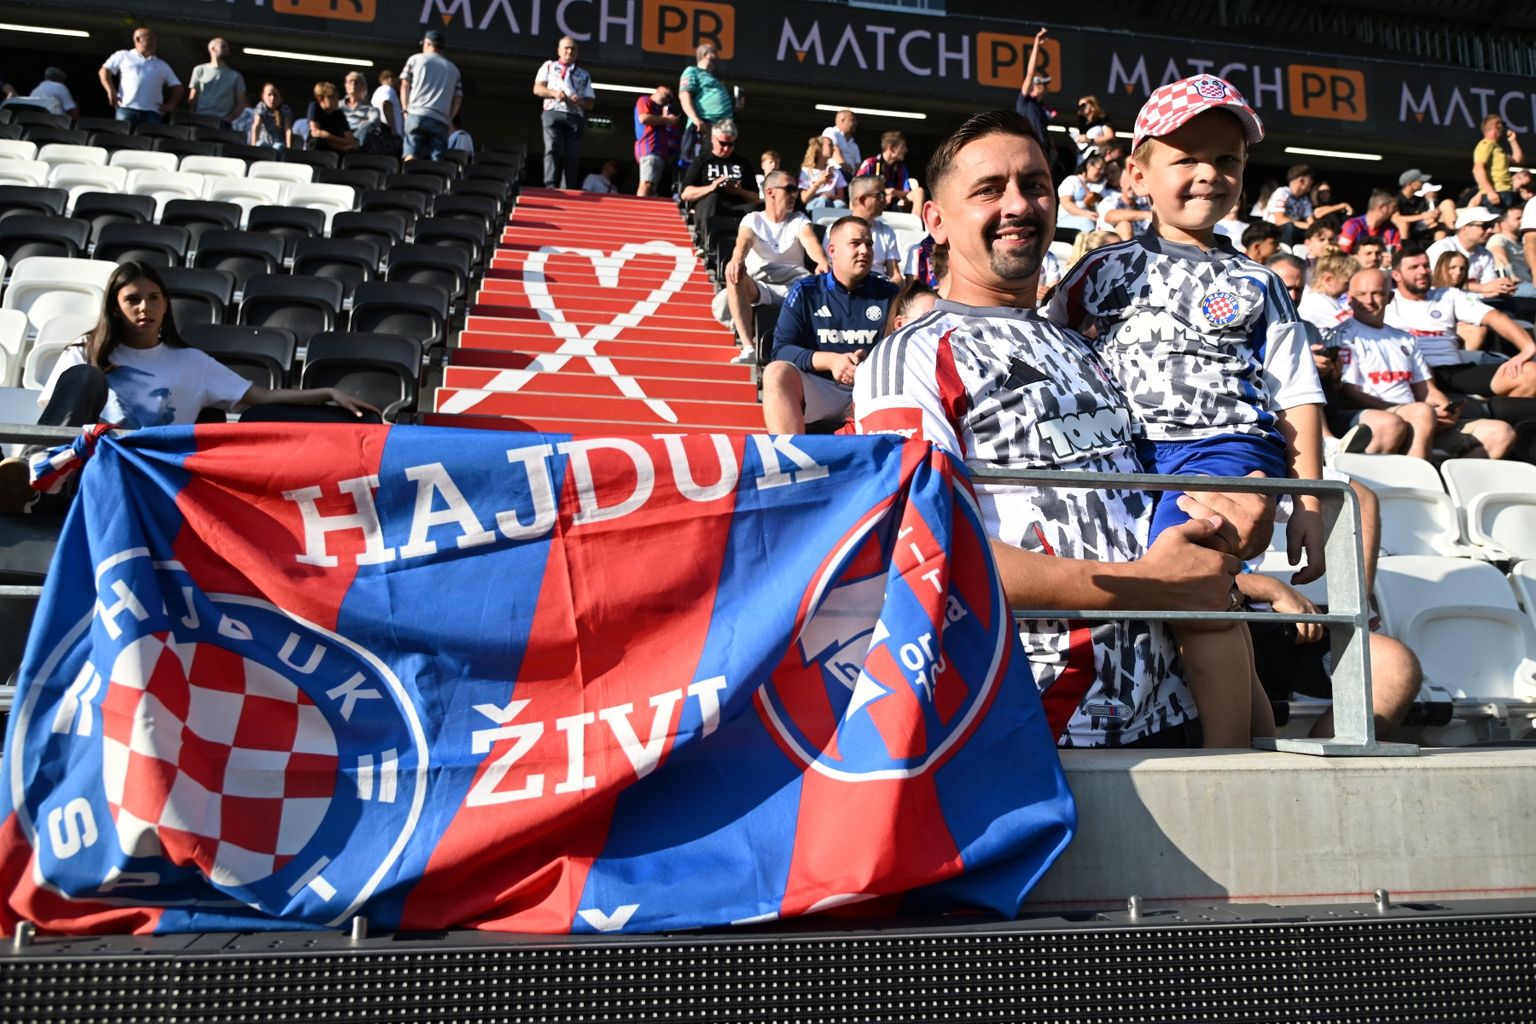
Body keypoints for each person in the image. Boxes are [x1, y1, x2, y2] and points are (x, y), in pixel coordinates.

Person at [855, 109, 1274, 749]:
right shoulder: (910, 358)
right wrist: (1150, 587)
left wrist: (1233, 525)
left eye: (1035, 185)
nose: (1019, 205)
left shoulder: (1087, 343)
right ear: (934, 220)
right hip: (1041, 728)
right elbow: (923, 556)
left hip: (1170, 709)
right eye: (989, 189)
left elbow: (1164, 495)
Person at [1044, 75, 1326, 749]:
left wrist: (1310, 503)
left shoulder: (1258, 281)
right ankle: (1259, 747)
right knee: (1204, 602)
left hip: (1225, 450)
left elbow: (1296, 391)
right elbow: (1048, 350)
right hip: (1126, 461)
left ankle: (1226, 765)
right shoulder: (1098, 270)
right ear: (1138, 174)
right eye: (1186, 158)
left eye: (1226, 159)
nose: (1208, 174)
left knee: (1193, 596)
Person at [0, 262, 376, 514]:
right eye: (132, 299)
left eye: (153, 298)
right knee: (86, 377)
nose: (144, 307)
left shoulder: (190, 361)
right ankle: (29, 477)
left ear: (166, 305)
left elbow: (260, 397)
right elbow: (57, 413)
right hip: (89, 470)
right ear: (115, 308)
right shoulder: (85, 351)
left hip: (150, 476)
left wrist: (326, 393)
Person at [1334, 269, 1514, 460]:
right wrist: (1409, 412)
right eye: (1361, 294)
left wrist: (1445, 408)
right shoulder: (1341, 337)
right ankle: (1416, 477)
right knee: (1420, 412)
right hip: (1375, 421)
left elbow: (1426, 390)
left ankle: (1443, 476)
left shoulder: (1405, 338)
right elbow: (1348, 394)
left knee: (1501, 433)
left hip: (1420, 421)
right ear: (1350, 299)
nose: (1369, 301)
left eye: (1377, 293)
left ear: (1390, 298)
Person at [762, 216, 898, 432]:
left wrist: (868, 365)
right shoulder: (806, 291)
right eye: (855, 243)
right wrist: (832, 361)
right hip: (820, 387)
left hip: (871, 389)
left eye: (869, 244)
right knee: (775, 373)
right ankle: (788, 452)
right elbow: (781, 350)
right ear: (832, 251)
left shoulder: (890, 294)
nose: (865, 250)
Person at [1385, 245, 1536, 417]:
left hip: (1454, 370)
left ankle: (1495, 421)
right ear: (1396, 275)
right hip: (1414, 374)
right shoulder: (1385, 300)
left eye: (1426, 266)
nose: (1423, 271)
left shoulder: (1449, 295)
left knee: (1531, 374)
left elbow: (1494, 317)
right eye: (1414, 267)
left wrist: (1528, 348)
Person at [718, 169, 827, 364]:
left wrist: (822, 261)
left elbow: (811, 242)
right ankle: (748, 347)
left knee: (823, 280)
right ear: (770, 192)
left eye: (796, 189)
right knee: (734, 273)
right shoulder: (753, 219)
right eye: (790, 189)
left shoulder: (799, 220)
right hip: (760, 285)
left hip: (794, 286)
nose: (795, 194)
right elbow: (742, 243)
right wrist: (736, 260)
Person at [533, 36, 594, 190]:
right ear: (559, 51)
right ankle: (550, 185)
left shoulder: (584, 74)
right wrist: (554, 93)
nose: (569, 51)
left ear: (577, 53)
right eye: (566, 48)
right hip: (552, 111)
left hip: (575, 116)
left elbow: (590, 103)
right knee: (551, 148)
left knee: (572, 154)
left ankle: (567, 188)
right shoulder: (549, 66)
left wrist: (579, 101)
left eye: (573, 49)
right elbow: (537, 89)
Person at [679, 119, 758, 226]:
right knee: (713, 199)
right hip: (709, 206)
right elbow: (685, 194)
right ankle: (708, 234)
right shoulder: (701, 161)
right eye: (722, 143)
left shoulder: (743, 163)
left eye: (731, 144)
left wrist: (740, 191)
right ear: (713, 139)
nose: (726, 148)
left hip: (736, 208)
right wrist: (711, 187)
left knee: (754, 209)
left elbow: (756, 198)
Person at [399, 29, 462, 162]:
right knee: (437, 161)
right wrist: (449, 117)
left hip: (416, 114)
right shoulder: (454, 70)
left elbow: (404, 84)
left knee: (411, 154)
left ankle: (408, 174)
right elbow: (458, 98)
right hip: (441, 119)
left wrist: (405, 109)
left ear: (427, 43)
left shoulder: (415, 59)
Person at [1425, 207, 1515, 301]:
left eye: (1491, 226)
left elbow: (1489, 285)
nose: (1490, 230)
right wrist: (1481, 288)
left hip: (1474, 301)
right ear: (1464, 229)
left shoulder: (1485, 254)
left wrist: (1501, 288)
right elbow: (1441, 281)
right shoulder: (1442, 248)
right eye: (1484, 226)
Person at [99, 26, 182, 126]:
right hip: (126, 108)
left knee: (149, 135)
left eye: (155, 40)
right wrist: (111, 92)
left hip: (152, 112)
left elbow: (178, 87)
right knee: (122, 135)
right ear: (138, 39)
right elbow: (104, 71)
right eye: (150, 39)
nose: (154, 43)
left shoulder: (161, 64)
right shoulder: (123, 55)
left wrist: (171, 105)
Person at [678, 43, 733, 163]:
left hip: (721, 129)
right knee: (698, 164)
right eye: (715, 52)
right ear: (705, 54)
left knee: (715, 165)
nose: (718, 56)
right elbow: (684, 96)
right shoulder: (692, 71)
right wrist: (696, 120)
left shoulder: (714, 79)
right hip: (704, 126)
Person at [848, 175, 902, 284]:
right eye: (880, 195)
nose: (885, 200)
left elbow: (895, 274)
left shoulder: (886, 232)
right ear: (862, 199)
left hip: (880, 287)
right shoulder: (836, 231)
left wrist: (893, 284)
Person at [856, 132, 924, 213]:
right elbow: (857, 188)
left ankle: (914, 221)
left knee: (919, 192)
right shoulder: (870, 163)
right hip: (873, 204)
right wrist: (883, 192)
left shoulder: (901, 168)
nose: (906, 150)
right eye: (902, 147)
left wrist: (895, 192)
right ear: (892, 149)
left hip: (895, 204)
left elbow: (907, 191)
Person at [633, 83, 680, 198]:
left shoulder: (662, 112)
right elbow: (643, 118)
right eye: (666, 95)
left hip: (659, 153)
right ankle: (640, 206)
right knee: (647, 183)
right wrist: (666, 119)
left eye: (670, 99)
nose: (667, 99)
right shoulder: (645, 100)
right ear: (658, 90)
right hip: (650, 148)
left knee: (651, 186)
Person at [186, 37, 246, 125]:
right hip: (201, 120)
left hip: (222, 122)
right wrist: (194, 115)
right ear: (213, 49)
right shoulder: (199, 70)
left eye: (227, 47)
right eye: (223, 46)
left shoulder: (236, 76)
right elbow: (193, 98)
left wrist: (229, 119)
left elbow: (242, 103)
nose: (227, 49)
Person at [1297, 251, 1359, 334]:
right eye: (1347, 284)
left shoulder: (1324, 299)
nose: (1349, 289)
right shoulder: (1317, 301)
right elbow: (1355, 328)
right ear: (1329, 280)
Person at [1473, 113, 1523, 210]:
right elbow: (1477, 169)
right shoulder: (1486, 144)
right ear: (1496, 125)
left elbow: (1518, 160)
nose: (1504, 128)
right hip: (1498, 192)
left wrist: (1513, 141)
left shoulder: (1497, 149)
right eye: (1503, 125)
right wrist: (1490, 192)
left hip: (1505, 191)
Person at [1014, 28, 1055, 144]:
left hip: (1040, 146)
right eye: (1042, 84)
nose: (1045, 86)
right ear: (1034, 86)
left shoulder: (1042, 107)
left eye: (1045, 84)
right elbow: (1030, 73)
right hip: (1024, 144)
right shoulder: (1025, 99)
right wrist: (1037, 46)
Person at [1055, 152, 1108, 233]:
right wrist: (1086, 214)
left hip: (1091, 221)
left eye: (1103, 170)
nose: (1101, 172)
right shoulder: (1072, 180)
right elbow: (1066, 203)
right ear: (1089, 165)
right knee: (1088, 224)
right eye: (1099, 168)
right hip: (1067, 221)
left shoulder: (1099, 186)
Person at [1337, 189, 1401, 256]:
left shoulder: (1391, 229)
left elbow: (1397, 256)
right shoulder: (1352, 226)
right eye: (1394, 207)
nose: (1397, 211)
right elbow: (1341, 255)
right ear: (1383, 209)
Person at [306, 82, 357, 154]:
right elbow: (316, 133)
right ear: (321, 98)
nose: (336, 101)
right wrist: (340, 147)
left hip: (337, 147)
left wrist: (329, 136)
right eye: (332, 98)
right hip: (319, 149)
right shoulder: (314, 107)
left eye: (337, 98)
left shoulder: (339, 113)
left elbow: (350, 141)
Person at [1391, 169, 1442, 239]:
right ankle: (1405, 244)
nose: (1422, 183)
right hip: (1398, 234)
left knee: (1436, 226)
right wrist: (1422, 216)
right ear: (1410, 184)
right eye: (1420, 181)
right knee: (1403, 224)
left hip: (1417, 232)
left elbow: (1428, 213)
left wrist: (1434, 213)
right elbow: (1396, 218)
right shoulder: (1395, 200)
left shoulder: (1419, 200)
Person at [799, 136, 847, 210]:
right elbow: (804, 199)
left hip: (831, 201)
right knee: (823, 202)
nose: (833, 149)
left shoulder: (836, 171)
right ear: (819, 148)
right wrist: (820, 181)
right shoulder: (806, 171)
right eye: (830, 145)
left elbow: (841, 198)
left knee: (840, 204)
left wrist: (830, 196)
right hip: (814, 203)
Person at [249, 82, 292, 150]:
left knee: (278, 147)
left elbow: (288, 130)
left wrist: (289, 148)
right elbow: (257, 126)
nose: (272, 98)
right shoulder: (261, 107)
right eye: (269, 95)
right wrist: (253, 146)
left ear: (280, 97)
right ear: (263, 96)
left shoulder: (285, 109)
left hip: (278, 143)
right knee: (259, 144)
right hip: (264, 143)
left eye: (275, 95)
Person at [340, 70, 379, 141]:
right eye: (350, 81)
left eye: (356, 82)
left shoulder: (371, 110)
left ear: (363, 86)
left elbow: (373, 124)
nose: (353, 84)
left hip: (361, 141)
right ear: (345, 85)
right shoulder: (337, 106)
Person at [821, 109, 860, 176]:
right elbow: (834, 149)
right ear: (842, 120)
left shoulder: (854, 145)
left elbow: (858, 164)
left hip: (850, 177)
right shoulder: (831, 131)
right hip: (833, 175)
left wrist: (857, 177)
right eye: (853, 120)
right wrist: (844, 166)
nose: (856, 123)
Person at [371, 69, 404, 137]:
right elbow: (386, 104)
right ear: (391, 79)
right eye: (398, 81)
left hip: (381, 130)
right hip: (388, 132)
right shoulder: (388, 89)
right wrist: (393, 127)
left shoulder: (378, 91)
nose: (399, 84)